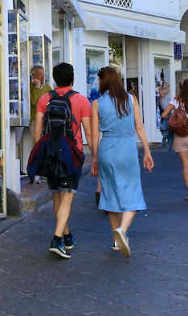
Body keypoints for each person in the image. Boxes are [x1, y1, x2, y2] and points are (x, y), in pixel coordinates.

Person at [30, 62, 93, 259]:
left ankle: (67, 236)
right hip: (71, 153)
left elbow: (37, 130)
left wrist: (41, 151)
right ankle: (57, 239)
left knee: (57, 196)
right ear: (72, 78)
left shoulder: (44, 99)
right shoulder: (82, 101)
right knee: (67, 196)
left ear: (55, 79)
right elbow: (89, 134)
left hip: (51, 152)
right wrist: (95, 156)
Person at [90, 66, 154, 257]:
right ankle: (122, 231)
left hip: (107, 148)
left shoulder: (97, 103)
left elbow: (94, 135)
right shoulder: (131, 99)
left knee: (109, 193)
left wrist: (94, 157)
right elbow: (140, 127)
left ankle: (116, 239)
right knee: (132, 191)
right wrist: (147, 152)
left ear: (104, 81)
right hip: (127, 147)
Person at [156, 81, 173, 151]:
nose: (159, 92)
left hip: (168, 114)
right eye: (159, 91)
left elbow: (168, 108)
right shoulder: (159, 99)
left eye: (161, 91)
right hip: (163, 114)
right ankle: (166, 141)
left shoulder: (167, 98)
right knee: (163, 128)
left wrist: (166, 114)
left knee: (164, 127)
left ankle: (165, 141)